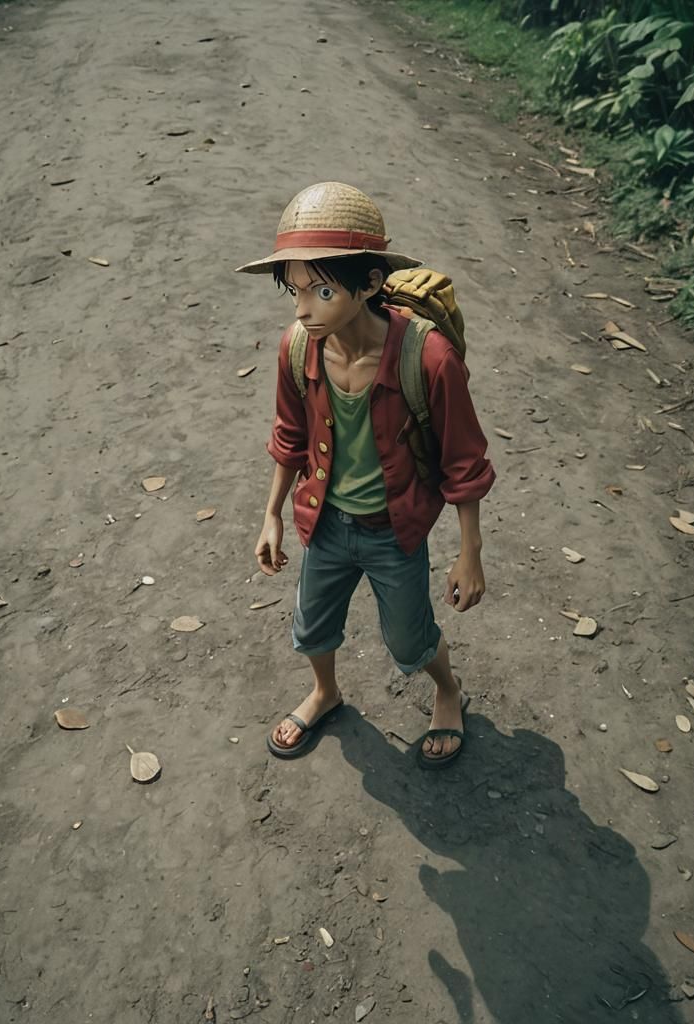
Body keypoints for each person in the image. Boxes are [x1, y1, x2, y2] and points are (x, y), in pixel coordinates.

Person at [236, 182, 496, 767]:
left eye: (323, 290)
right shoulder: (297, 348)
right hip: (326, 522)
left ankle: (447, 690)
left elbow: (464, 462)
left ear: (371, 283)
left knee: (410, 637)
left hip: (392, 530)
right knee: (312, 624)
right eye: (296, 290)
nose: (303, 309)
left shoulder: (428, 358)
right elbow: (290, 437)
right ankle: (325, 692)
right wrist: (271, 514)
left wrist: (470, 552)